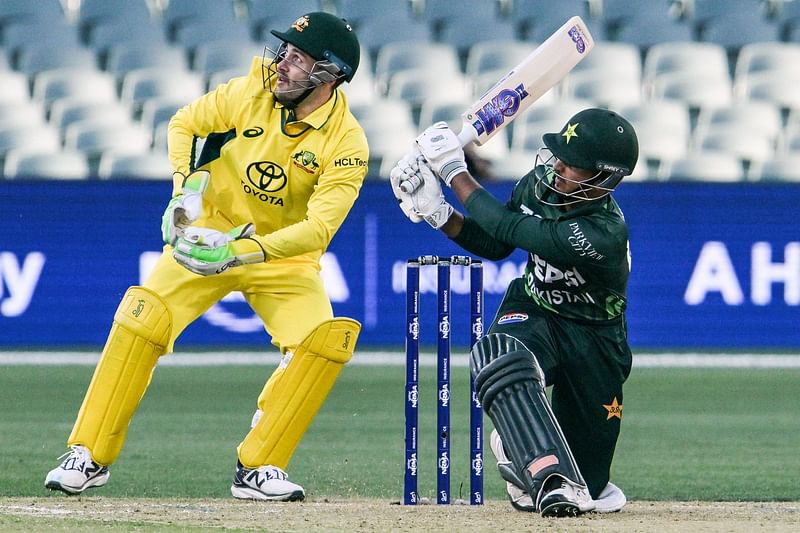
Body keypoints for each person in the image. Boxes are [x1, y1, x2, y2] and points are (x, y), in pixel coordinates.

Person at [45, 12, 367, 502]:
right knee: (142, 317)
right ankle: (88, 454)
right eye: (284, 52)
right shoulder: (251, 90)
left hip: (281, 259)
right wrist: (182, 193)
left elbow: (318, 229)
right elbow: (185, 124)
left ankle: (260, 466)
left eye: (298, 59)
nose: (282, 64)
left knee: (322, 343)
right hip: (208, 232)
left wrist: (240, 252)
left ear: (330, 74)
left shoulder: (347, 141)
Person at [390, 108, 638, 516]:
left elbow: (510, 229)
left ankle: (520, 444)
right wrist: (439, 216)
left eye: (572, 165)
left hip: (596, 339)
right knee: (500, 356)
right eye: (559, 155)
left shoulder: (603, 232)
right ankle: (543, 471)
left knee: (589, 486)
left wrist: (454, 171)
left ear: (604, 178)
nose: (557, 167)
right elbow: (496, 244)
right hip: (535, 308)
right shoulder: (538, 186)